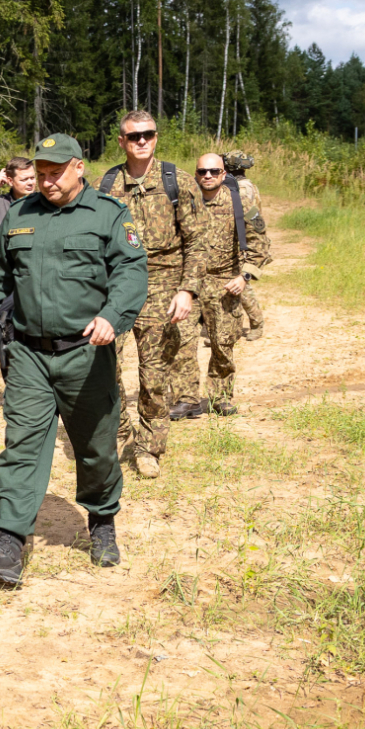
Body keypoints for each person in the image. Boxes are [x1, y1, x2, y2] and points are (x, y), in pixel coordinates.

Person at [0, 133, 148, 587]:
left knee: (97, 446)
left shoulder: (107, 214)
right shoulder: (20, 215)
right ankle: (6, 543)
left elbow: (131, 271)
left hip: (86, 352)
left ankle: (102, 519)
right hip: (27, 353)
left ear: (78, 167)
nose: (46, 182)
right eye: (40, 174)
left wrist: (111, 316)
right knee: (22, 445)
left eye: (55, 173)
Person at [95, 110, 208, 479]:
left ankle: (149, 446)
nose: (141, 141)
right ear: (121, 141)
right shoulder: (106, 185)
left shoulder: (179, 181)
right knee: (104, 366)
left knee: (155, 373)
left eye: (148, 134)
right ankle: (118, 430)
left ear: (156, 137)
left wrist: (188, 290)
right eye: (133, 136)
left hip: (163, 282)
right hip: (116, 284)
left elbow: (197, 242)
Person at [171, 154, 271, 415]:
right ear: (195, 173)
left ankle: (220, 398)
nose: (207, 176)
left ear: (224, 173)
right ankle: (186, 399)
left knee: (222, 344)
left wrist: (244, 276)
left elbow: (261, 244)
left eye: (214, 171)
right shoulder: (184, 202)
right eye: (202, 171)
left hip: (224, 282)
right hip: (188, 284)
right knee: (181, 342)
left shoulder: (240, 202)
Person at [221, 150, 268, 340]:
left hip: (243, 240)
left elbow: (250, 217)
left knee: (242, 284)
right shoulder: (247, 185)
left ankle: (257, 323)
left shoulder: (241, 189)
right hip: (243, 238)